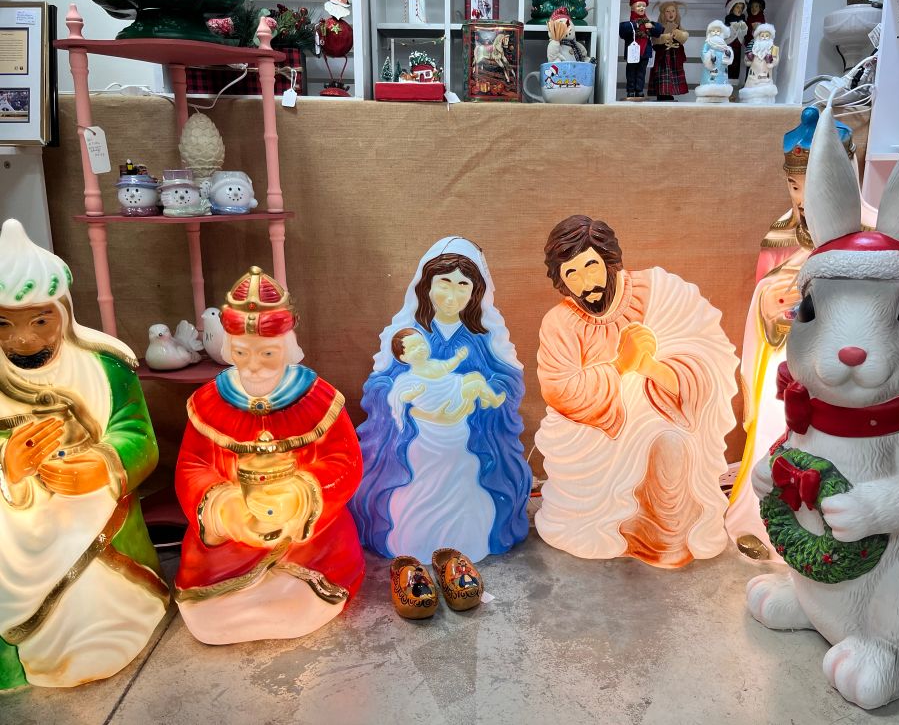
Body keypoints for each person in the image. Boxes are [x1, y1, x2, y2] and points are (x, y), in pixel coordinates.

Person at [0, 218, 168, 689]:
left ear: (63, 313)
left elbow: (137, 434)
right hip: (16, 522)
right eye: (3, 324)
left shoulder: (107, 365)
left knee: (101, 604)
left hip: (94, 512)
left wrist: (105, 464)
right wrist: (9, 473)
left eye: (39, 321)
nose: (23, 340)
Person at [535, 215, 739, 568]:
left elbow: (704, 366)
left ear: (610, 260)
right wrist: (619, 366)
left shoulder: (660, 293)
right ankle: (612, 529)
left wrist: (649, 369)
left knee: (671, 442)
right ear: (562, 282)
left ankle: (662, 541)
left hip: (661, 412)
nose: (586, 283)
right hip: (590, 424)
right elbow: (559, 389)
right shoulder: (560, 322)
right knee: (611, 446)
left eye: (591, 266)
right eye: (572, 275)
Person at [174, 266, 364, 645]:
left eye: (267, 353)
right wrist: (224, 508)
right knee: (211, 616)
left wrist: (301, 494)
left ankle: (296, 592)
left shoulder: (319, 399)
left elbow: (346, 461)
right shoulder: (209, 403)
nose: (254, 365)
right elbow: (192, 466)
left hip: (309, 542)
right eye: (242, 352)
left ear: (288, 347)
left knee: (298, 603)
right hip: (230, 546)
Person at [725, 109, 879, 561]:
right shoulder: (780, 236)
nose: (803, 199)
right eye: (794, 187)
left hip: (846, 368)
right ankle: (760, 517)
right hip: (790, 362)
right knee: (779, 429)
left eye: (813, 186)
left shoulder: (873, 235)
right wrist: (770, 308)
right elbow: (762, 299)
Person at [351, 237, 531, 564]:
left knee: (467, 483)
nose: (452, 295)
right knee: (413, 491)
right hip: (419, 438)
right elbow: (379, 384)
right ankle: (410, 539)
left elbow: (508, 379)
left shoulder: (484, 335)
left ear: (475, 291)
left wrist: (477, 393)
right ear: (426, 285)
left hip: (468, 439)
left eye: (463, 285)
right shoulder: (409, 334)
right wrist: (402, 393)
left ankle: (468, 539)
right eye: (444, 283)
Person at [619, 0, 663, 100]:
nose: (641, 8)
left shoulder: (648, 22)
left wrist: (652, 26)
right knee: (631, 72)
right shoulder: (630, 23)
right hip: (633, 52)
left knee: (641, 73)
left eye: (643, 5)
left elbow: (659, 30)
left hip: (644, 52)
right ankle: (630, 91)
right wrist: (636, 25)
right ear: (632, 6)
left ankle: (639, 91)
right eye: (639, 5)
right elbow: (622, 30)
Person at [647, 1, 689, 101]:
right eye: (668, 11)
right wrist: (664, 37)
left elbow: (684, 37)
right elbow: (654, 40)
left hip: (674, 57)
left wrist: (678, 34)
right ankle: (662, 93)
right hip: (662, 57)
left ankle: (669, 92)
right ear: (663, 13)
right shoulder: (658, 27)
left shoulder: (678, 27)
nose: (671, 14)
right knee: (662, 76)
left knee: (673, 75)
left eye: (673, 11)